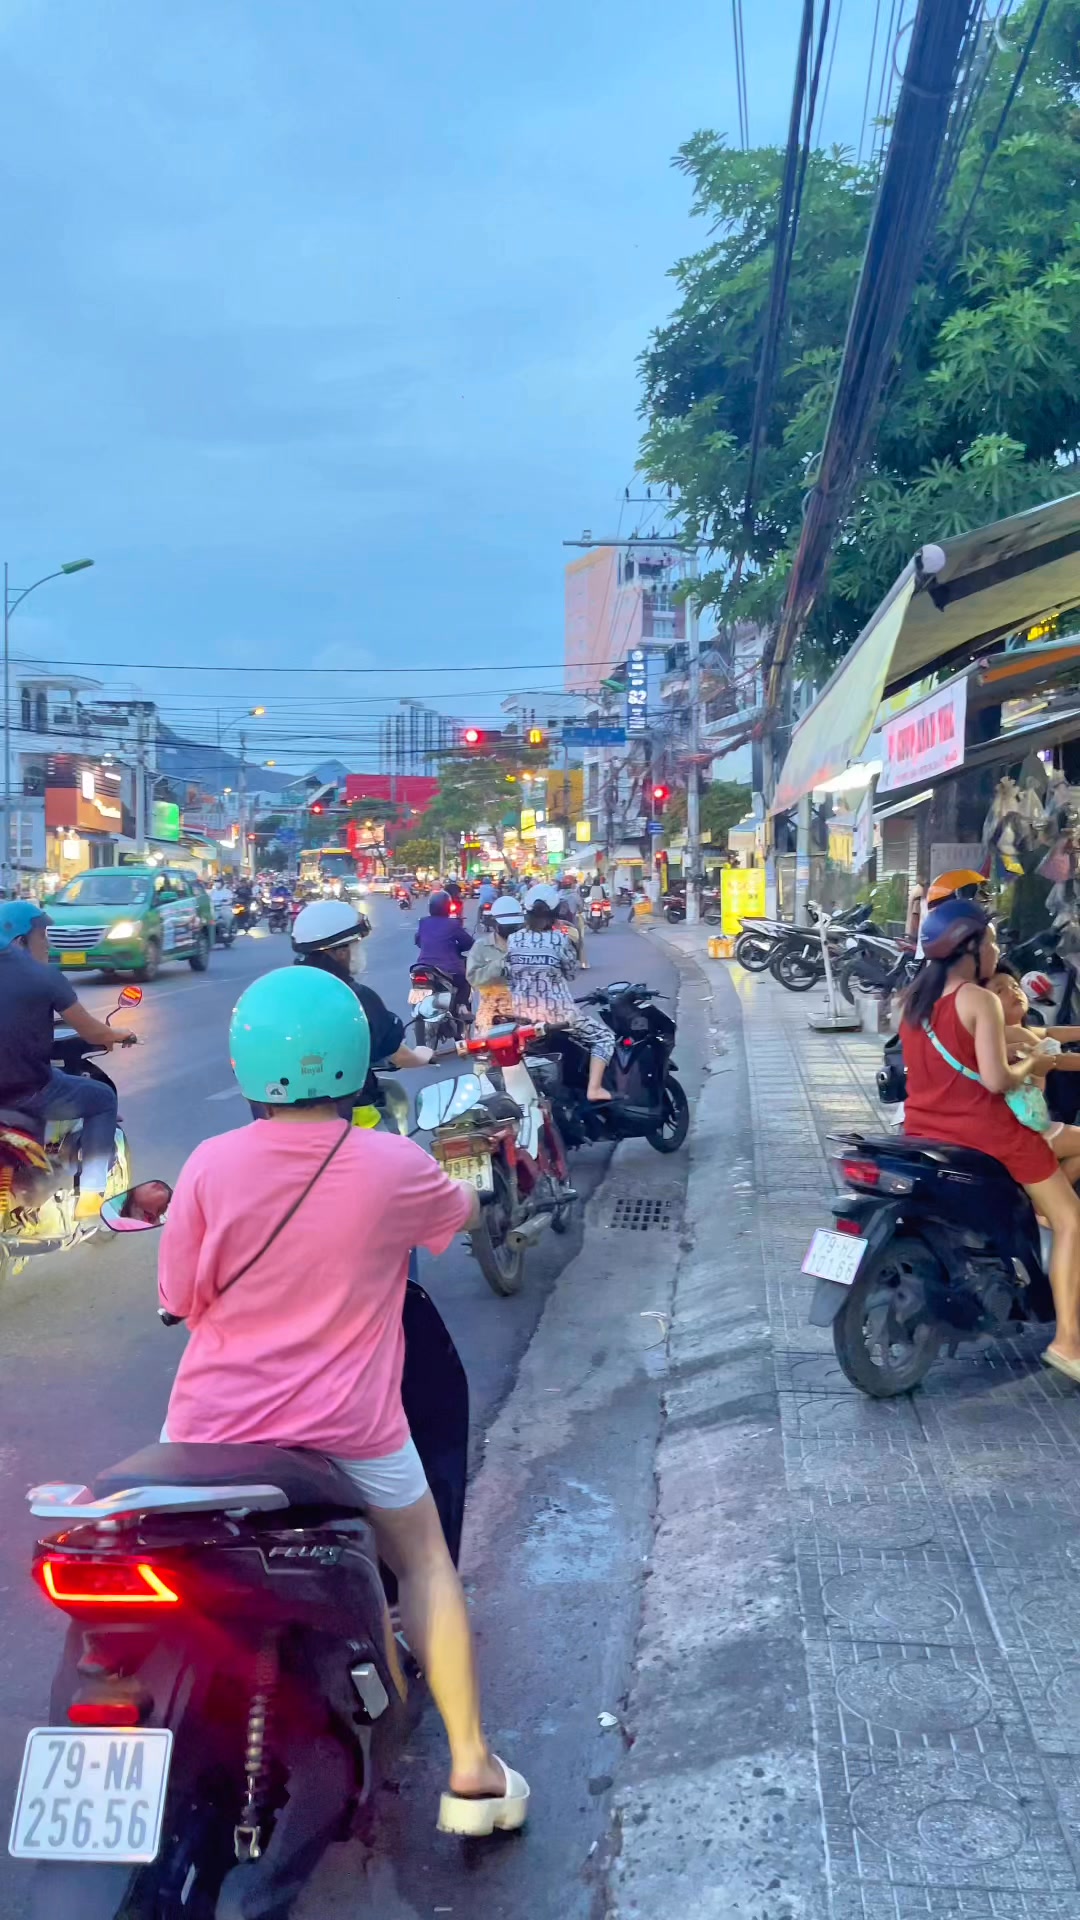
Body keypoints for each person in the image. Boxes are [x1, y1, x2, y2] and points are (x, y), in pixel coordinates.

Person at [158, 967, 528, 1835]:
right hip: (349, 1436)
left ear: (250, 1063)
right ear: (358, 1060)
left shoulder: (210, 1164)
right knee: (426, 1562)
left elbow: (179, 1297)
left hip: (206, 1436)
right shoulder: (393, 1165)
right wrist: (473, 1198)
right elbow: (460, 1215)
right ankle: (472, 1772)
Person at [901, 898, 1080, 1385]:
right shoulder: (978, 1000)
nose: (997, 951)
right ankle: (1067, 1342)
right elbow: (999, 1082)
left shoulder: (913, 999)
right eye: (993, 942)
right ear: (970, 945)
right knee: (1072, 1220)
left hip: (924, 1130)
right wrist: (1036, 1066)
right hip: (991, 1133)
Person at [0, 901, 136, 1219]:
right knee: (102, 1098)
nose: (48, 942)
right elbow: (91, 1032)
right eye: (42, 934)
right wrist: (116, 1034)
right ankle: (91, 1195)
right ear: (19, 937)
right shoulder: (44, 976)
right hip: (29, 1093)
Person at [293, 900, 434, 1116]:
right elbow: (398, 1055)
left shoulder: (282, 992)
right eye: (355, 945)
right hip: (349, 1116)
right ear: (340, 952)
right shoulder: (354, 998)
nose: (359, 951)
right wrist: (423, 1055)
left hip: (280, 1117)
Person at [506, 885, 615, 1102]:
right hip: (558, 1017)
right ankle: (594, 1089)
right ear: (556, 913)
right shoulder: (559, 939)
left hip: (522, 1018)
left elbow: (509, 975)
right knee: (605, 1037)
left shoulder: (514, 939)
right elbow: (572, 973)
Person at [988, 965, 1080, 1185]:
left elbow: (1050, 1033)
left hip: (1028, 1122)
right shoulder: (1011, 1033)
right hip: (1022, 1132)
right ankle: (1047, 1209)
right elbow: (1059, 1060)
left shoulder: (1018, 1029)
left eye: (1015, 986)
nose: (1013, 992)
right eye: (1000, 991)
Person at [466, 894, 523, 1034]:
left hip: (525, 1006)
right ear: (495, 924)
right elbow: (473, 978)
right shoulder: (481, 947)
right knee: (484, 1047)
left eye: (514, 925)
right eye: (506, 925)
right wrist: (498, 967)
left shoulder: (527, 944)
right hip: (492, 1009)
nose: (511, 929)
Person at [415, 890, 473, 1015]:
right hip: (448, 968)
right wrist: (457, 949)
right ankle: (462, 1007)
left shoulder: (423, 922)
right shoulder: (453, 924)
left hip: (423, 966)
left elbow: (418, 940)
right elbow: (468, 942)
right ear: (447, 907)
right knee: (465, 980)